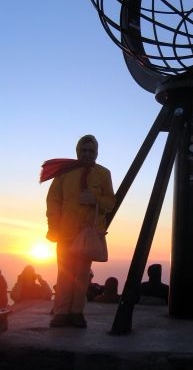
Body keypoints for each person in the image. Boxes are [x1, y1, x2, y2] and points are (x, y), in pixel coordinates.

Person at [42, 134, 115, 328]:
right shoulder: (64, 173)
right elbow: (53, 201)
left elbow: (110, 202)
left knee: (81, 276)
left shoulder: (103, 173)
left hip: (88, 234)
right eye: (84, 150)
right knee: (64, 275)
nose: (87, 154)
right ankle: (61, 313)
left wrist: (96, 200)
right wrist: (53, 227)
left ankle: (76, 313)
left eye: (91, 151)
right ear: (77, 151)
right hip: (65, 232)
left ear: (97, 152)